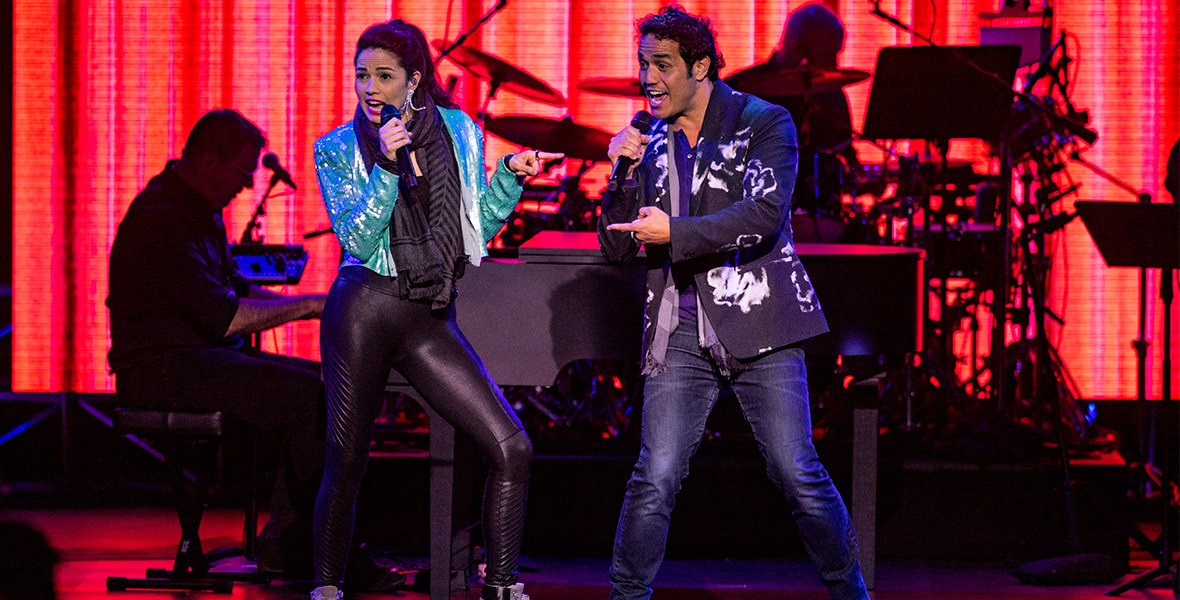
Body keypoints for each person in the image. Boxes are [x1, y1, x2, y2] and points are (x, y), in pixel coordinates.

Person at [598, 7, 869, 600]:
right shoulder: (650, 136)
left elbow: (763, 216)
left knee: (796, 472)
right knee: (656, 474)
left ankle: (851, 591)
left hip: (760, 321)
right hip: (678, 326)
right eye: (643, 63)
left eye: (662, 65)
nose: (648, 77)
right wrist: (619, 174)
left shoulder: (763, 121)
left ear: (700, 66)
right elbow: (615, 245)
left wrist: (676, 233)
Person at [310, 20, 562, 600]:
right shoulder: (337, 148)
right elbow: (358, 235)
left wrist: (508, 179)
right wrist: (387, 169)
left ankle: (501, 585)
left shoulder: (457, 130)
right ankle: (326, 588)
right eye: (361, 76)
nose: (370, 88)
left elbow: (477, 230)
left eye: (384, 76)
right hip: (363, 308)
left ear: (414, 80)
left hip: (429, 314)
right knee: (346, 462)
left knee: (510, 446)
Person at [107, 108, 328, 578]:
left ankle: (298, 542)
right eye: (242, 173)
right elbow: (224, 317)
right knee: (315, 397)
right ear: (208, 162)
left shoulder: (195, 209)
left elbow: (233, 290)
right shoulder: (163, 218)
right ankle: (298, 547)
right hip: (162, 370)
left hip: (193, 360)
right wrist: (310, 307)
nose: (247, 186)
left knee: (325, 383)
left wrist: (325, 304)